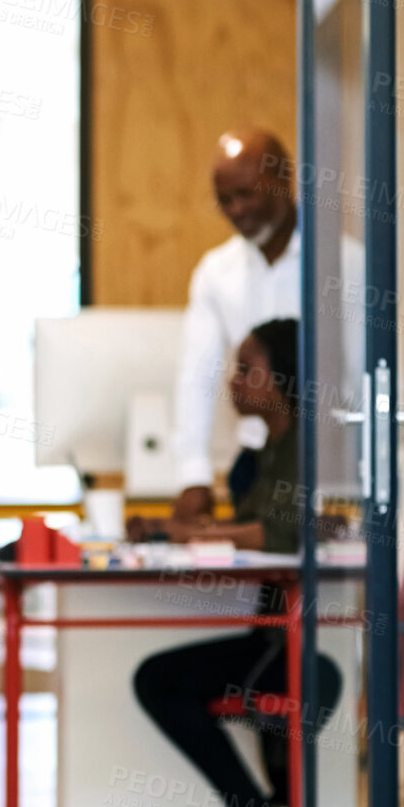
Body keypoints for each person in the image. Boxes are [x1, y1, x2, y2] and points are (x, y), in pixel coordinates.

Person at [130, 318, 343, 807]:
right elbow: (250, 525)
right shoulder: (268, 450)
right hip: (272, 636)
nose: (234, 381)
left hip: (297, 647)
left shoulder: (309, 448)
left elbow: (285, 532)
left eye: (248, 368)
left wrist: (192, 534)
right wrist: (188, 529)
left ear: (284, 381)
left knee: (161, 681)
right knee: (160, 679)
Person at [160, 129, 301, 529]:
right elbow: (197, 374)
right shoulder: (216, 272)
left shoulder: (341, 263)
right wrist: (193, 473)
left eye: (246, 194)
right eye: (224, 200)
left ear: (282, 180)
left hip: (319, 468)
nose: (236, 210)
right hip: (255, 462)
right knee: (262, 588)